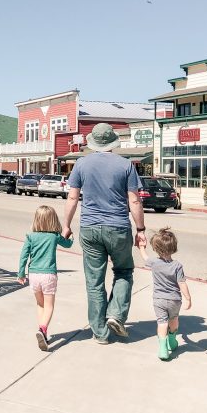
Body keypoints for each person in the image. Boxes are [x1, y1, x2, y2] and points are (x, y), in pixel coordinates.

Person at [63, 122, 147, 344]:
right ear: (112, 142)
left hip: (90, 228)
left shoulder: (81, 164)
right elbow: (134, 200)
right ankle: (116, 314)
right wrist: (140, 229)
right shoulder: (126, 165)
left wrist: (66, 225)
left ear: (93, 143)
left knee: (94, 281)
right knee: (124, 271)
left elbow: (72, 198)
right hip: (118, 227)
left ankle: (100, 332)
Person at [17, 205, 74, 351]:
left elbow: (24, 256)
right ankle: (42, 329)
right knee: (49, 306)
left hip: (34, 275)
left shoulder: (30, 236)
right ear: (53, 220)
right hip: (48, 275)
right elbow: (68, 244)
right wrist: (70, 236)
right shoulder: (54, 236)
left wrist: (21, 274)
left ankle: (43, 332)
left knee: (40, 304)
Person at [139, 227, 192, 361]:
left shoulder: (154, 263)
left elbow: (145, 257)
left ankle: (163, 348)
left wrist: (141, 247)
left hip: (159, 300)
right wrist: (188, 298)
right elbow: (182, 283)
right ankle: (172, 340)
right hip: (174, 300)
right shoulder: (177, 265)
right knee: (173, 319)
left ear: (156, 248)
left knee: (162, 323)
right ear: (174, 247)